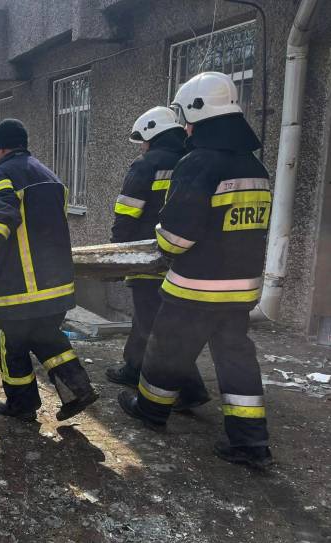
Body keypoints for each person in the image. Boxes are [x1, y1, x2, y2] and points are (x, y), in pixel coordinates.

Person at [118, 72, 273, 469]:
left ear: (197, 114)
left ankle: (150, 410)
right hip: (241, 289)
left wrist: (160, 238)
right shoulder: (255, 167)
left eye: (186, 118)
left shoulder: (198, 163)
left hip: (195, 285)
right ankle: (251, 441)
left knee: (167, 348)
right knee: (236, 360)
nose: (185, 127)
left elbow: (175, 239)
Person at [0, 118, 98, 422]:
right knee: (46, 337)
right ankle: (78, 390)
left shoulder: (4, 174)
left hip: (21, 286)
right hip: (57, 283)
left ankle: (22, 405)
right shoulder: (50, 175)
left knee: (11, 344)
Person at [107, 107, 210, 411]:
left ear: (152, 134)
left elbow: (127, 211)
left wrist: (117, 253)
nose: (142, 146)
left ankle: (191, 388)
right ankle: (133, 367)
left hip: (147, 256)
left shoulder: (147, 164)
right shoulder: (190, 161)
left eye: (143, 140)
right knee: (146, 316)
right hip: (182, 257)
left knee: (154, 323)